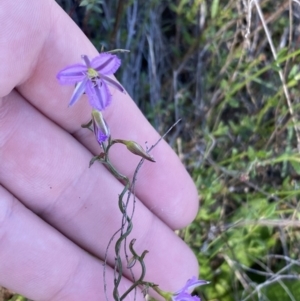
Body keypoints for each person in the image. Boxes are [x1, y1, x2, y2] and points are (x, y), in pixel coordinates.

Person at [0, 1, 199, 300]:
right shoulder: (86, 74)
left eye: (95, 74)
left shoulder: (95, 76)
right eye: (91, 74)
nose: (93, 77)